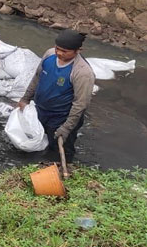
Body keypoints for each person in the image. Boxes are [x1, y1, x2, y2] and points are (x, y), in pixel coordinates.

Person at [17, 29, 95, 160]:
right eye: (57, 48)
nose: (59, 53)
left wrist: (66, 128)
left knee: (59, 150)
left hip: (61, 117)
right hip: (41, 110)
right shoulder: (49, 55)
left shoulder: (82, 72)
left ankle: (62, 168)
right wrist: (25, 99)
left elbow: (80, 104)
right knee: (37, 141)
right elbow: (37, 77)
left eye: (64, 51)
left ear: (78, 51)